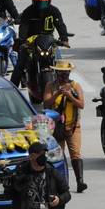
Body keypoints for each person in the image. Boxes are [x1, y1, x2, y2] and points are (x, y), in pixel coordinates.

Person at [42, 60, 86, 193]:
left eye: (66, 73)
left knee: (76, 154)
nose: (64, 76)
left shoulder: (75, 86)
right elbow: (46, 104)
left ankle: (80, 182)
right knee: (56, 156)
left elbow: (81, 104)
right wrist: (57, 94)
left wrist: (70, 96)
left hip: (73, 126)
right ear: (56, 73)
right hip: (56, 127)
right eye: (61, 73)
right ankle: (58, 184)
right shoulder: (50, 85)